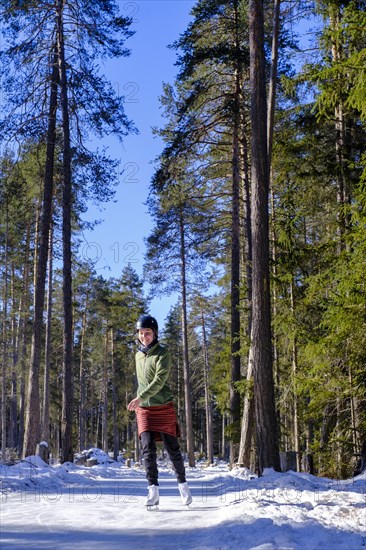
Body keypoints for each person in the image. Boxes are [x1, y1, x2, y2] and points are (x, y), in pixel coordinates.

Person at [127, 314, 192, 508]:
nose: (144, 336)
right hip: (145, 409)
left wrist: (140, 397)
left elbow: (158, 381)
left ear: (155, 334)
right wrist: (141, 400)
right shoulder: (138, 355)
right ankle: (153, 490)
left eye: (148, 333)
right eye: (141, 333)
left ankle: (183, 485)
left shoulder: (163, 353)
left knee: (172, 449)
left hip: (162, 406)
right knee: (147, 449)